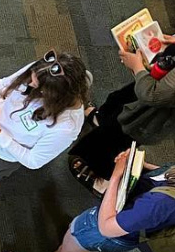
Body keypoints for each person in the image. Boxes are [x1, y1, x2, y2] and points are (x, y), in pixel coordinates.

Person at [4, 154, 175, 252]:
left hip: (109, 230)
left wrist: (116, 175)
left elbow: (106, 228)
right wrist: (141, 164)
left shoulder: (159, 204)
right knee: (77, 241)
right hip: (130, 221)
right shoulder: (162, 201)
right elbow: (166, 175)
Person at [0, 51, 89, 224]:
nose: (30, 82)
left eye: (37, 87)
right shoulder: (44, 70)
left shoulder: (66, 127)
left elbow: (33, 161)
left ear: (55, 96)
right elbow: (4, 84)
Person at [72, 35, 175, 188]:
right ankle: (100, 118)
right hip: (155, 83)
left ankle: (101, 173)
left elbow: (152, 95)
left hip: (151, 114)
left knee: (118, 135)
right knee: (118, 100)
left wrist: (137, 66)